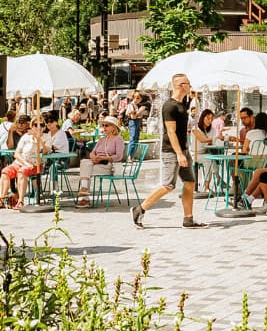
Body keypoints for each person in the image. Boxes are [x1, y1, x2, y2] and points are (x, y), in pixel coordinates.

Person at [132, 73, 205, 229]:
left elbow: (191, 113)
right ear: (180, 85)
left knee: (190, 183)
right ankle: (140, 208)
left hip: (183, 150)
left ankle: (188, 219)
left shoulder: (182, 104)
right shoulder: (169, 106)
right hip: (172, 151)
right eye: (188, 83)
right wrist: (179, 154)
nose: (190, 85)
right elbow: (171, 132)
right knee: (168, 185)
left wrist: (193, 98)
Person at [0, 119, 49, 209]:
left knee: (22, 172)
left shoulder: (46, 137)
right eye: (36, 125)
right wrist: (25, 163)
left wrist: (39, 140)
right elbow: (16, 154)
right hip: (21, 162)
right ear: (32, 126)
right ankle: (1, 200)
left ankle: (20, 201)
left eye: (41, 125)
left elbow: (46, 151)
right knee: (5, 171)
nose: (39, 127)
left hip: (35, 165)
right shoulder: (26, 137)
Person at [76, 116, 125, 206]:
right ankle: (84, 191)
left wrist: (103, 158)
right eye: (103, 125)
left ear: (113, 127)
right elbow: (92, 152)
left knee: (85, 170)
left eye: (107, 125)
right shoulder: (102, 139)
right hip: (96, 163)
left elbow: (119, 156)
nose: (104, 127)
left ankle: (84, 196)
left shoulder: (118, 139)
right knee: (84, 162)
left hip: (108, 165)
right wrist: (94, 158)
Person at [125, 91, 150, 161]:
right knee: (133, 138)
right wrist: (140, 111)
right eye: (136, 98)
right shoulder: (131, 105)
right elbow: (133, 117)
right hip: (133, 122)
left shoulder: (136, 105)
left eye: (139, 98)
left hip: (137, 122)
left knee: (136, 139)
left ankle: (132, 156)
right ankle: (129, 156)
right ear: (133, 98)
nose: (138, 99)